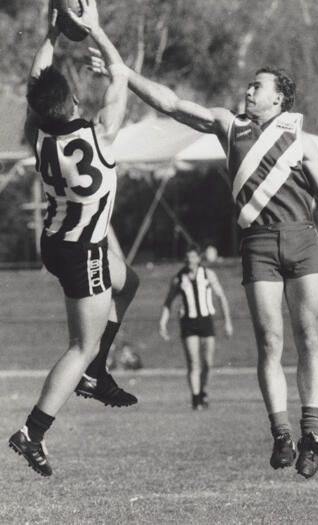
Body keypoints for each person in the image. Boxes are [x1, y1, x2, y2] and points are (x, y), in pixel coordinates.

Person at [87, 52, 318, 478]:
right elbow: (171, 104)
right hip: (257, 243)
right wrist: (122, 72)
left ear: (279, 100)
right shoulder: (229, 125)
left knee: (308, 337)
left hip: (302, 240)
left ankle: (312, 435)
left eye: (258, 87)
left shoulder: (298, 137)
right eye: (250, 86)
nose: (248, 91)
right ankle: (281, 434)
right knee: (270, 342)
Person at [9, 0, 139, 477]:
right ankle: (33, 431)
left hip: (60, 239)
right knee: (79, 345)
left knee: (129, 283)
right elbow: (120, 74)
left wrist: (51, 34)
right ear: (75, 102)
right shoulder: (100, 135)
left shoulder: (38, 135)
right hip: (84, 248)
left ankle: (98, 371)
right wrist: (96, 31)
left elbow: (36, 86)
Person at [159, 245, 233, 410]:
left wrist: (228, 322)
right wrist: (163, 322)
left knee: (208, 363)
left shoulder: (208, 274)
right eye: (187, 257)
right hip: (188, 322)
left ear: (198, 258)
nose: (190, 261)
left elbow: (221, 297)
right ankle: (195, 398)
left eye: (193, 257)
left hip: (206, 321)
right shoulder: (179, 278)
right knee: (193, 362)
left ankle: (203, 390)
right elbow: (168, 301)